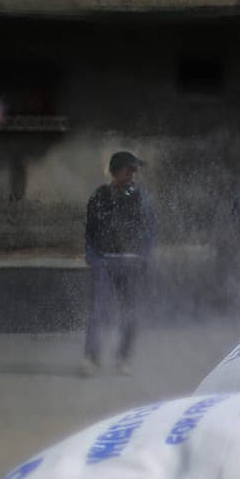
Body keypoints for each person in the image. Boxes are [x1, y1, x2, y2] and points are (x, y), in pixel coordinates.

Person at [83, 150, 157, 375]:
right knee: (99, 311)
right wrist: (93, 257)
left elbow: (149, 230)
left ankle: (123, 358)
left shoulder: (142, 197)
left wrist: (143, 256)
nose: (132, 175)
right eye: (128, 170)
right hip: (105, 261)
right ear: (116, 172)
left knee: (131, 312)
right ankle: (92, 358)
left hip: (132, 263)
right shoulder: (99, 196)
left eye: (134, 171)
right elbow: (90, 230)